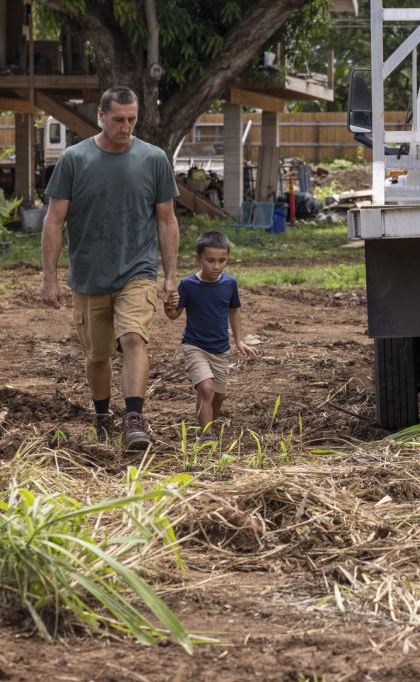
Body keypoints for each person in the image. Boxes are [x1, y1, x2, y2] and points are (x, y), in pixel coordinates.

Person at [41, 86, 180, 452]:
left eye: (132, 119)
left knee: (133, 337)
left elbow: (166, 221)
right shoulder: (74, 159)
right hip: (89, 275)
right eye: (118, 119)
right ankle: (102, 415)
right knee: (97, 355)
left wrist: (169, 276)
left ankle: (133, 417)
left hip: (138, 270)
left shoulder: (153, 159)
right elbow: (54, 221)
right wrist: (50, 278)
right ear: (101, 116)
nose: (126, 126)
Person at [164, 230, 259, 442]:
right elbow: (173, 314)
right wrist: (167, 304)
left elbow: (234, 310)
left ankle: (208, 428)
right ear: (198, 259)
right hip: (195, 346)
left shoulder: (229, 284)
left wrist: (239, 340)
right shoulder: (187, 285)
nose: (216, 266)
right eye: (210, 261)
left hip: (220, 349)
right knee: (206, 388)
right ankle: (206, 435)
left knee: (218, 395)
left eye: (222, 261)